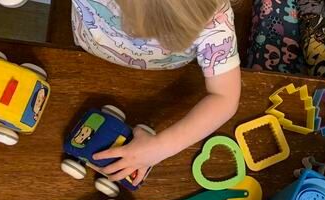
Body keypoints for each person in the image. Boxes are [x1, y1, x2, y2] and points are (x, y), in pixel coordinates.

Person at [71, 0, 241, 185]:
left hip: (159, 71)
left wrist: (160, 148)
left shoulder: (214, 17)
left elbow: (226, 98)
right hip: (87, 49)